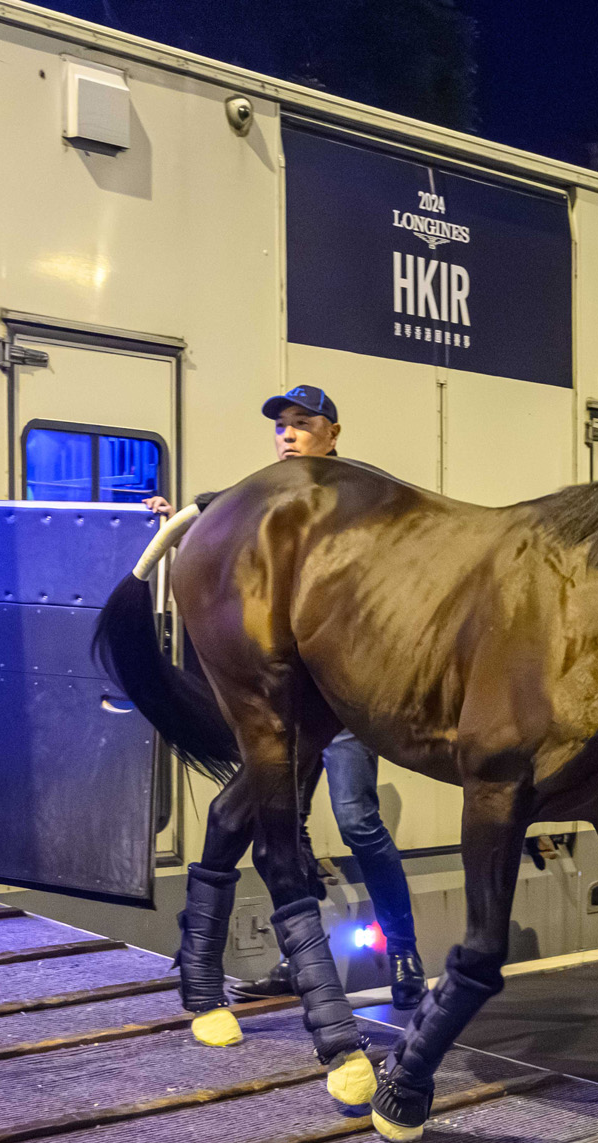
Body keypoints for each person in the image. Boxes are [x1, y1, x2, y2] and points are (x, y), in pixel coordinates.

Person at [148, 386, 428, 1011]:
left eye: (302, 424)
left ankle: (404, 953)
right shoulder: (268, 504)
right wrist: (185, 515)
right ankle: (298, 960)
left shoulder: (359, 494)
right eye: (281, 426)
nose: (288, 434)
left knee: (358, 821)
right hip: (293, 697)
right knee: (284, 826)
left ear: (332, 434)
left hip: (349, 697)